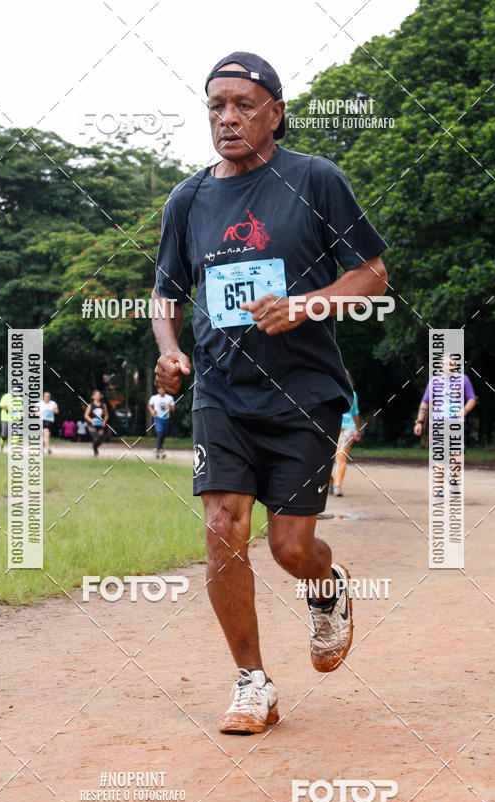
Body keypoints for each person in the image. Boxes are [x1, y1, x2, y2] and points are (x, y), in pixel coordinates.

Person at [151, 51, 389, 734]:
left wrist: (307, 305)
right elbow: (167, 292)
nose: (228, 117)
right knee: (223, 528)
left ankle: (326, 590)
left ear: (275, 113)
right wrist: (170, 352)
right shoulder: (189, 199)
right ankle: (252, 682)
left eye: (243, 104)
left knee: (290, 549)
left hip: (303, 394)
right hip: (222, 393)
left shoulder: (316, 181)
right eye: (216, 106)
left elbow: (371, 276)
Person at [414, 356, 476, 441]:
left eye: (451, 364)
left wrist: (465, 410)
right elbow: (425, 402)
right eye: (446, 364)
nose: (449, 366)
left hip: (457, 423)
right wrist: (419, 422)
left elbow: (472, 399)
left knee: (456, 453)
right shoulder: (434, 381)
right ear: (441, 364)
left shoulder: (464, 379)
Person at [330, 371, 361, 496]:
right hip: (333, 428)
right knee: (329, 457)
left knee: (340, 456)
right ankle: (331, 480)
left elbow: (355, 413)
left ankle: (337, 486)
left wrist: (358, 430)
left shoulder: (352, 395)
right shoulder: (331, 393)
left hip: (348, 429)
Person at [148, 385, 175, 458]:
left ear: (165, 390)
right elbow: (149, 405)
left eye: (163, 389)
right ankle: (160, 449)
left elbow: (173, 409)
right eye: (160, 389)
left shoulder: (169, 398)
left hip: (166, 418)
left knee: (164, 433)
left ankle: (158, 448)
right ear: (158, 390)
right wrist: (152, 411)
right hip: (158, 417)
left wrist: (169, 407)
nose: (162, 391)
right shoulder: (154, 398)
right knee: (160, 432)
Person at [84, 390, 109, 456]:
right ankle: (95, 451)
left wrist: (104, 421)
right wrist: (91, 420)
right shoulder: (90, 405)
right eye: (96, 395)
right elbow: (86, 415)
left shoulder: (103, 405)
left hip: (100, 424)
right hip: (91, 424)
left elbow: (106, 415)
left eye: (99, 395)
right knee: (95, 438)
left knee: (100, 439)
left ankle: (94, 446)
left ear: (100, 396)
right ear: (93, 396)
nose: (97, 396)